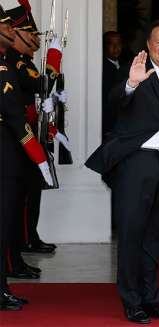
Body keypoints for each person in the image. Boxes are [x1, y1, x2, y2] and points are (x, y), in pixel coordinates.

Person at [85, 20, 159, 323]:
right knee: (131, 235)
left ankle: (151, 299)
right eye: (158, 42)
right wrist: (132, 84)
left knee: (153, 238)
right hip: (135, 163)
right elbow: (113, 102)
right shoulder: (132, 72)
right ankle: (131, 302)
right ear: (148, 45)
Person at [0, 4, 53, 310]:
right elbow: (13, 117)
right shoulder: (4, 67)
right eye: (5, 26)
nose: (11, 30)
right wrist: (39, 158)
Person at [102, 31, 123, 139]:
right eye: (111, 44)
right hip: (108, 124)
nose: (116, 48)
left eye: (118, 44)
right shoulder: (103, 68)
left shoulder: (124, 65)